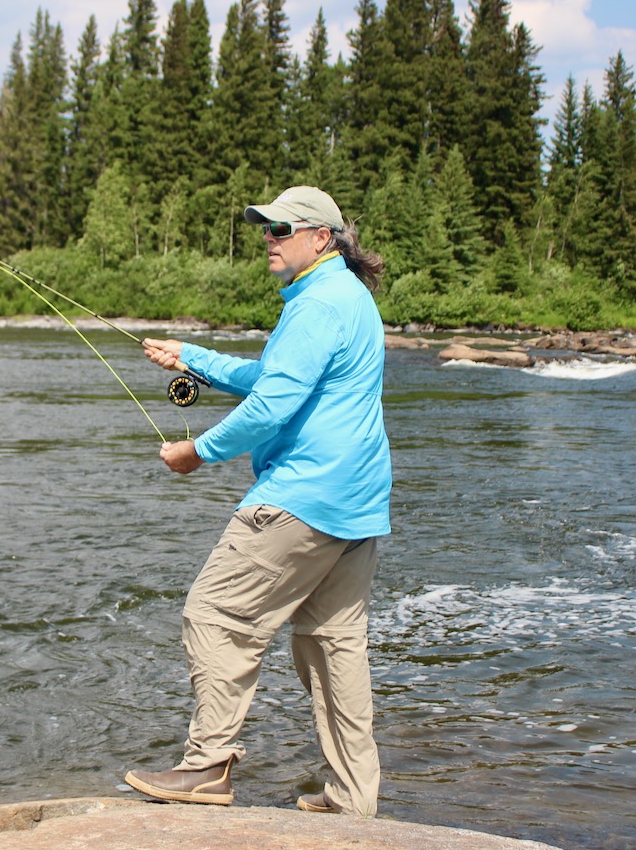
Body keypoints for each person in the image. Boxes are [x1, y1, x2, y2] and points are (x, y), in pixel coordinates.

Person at [124, 185, 391, 817]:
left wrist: (198, 453)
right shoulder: (339, 297)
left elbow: (272, 404)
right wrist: (193, 358)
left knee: (214, 614)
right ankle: (353, 800)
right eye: (264, 230)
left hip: (303, 496)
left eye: (281, 229)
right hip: (355, 500)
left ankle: (208, 766)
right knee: (332, 643)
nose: (268, 239)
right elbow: (272, 375)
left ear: (321, 238)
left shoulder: (319, 305)